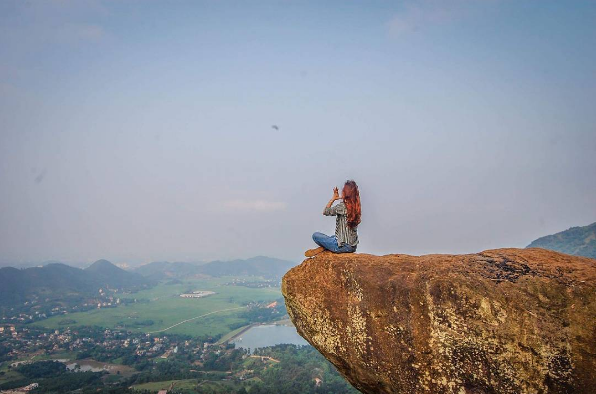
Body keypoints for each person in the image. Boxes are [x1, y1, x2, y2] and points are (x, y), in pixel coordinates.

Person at [305, 180, 361, 257]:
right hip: (352, 246)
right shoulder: (356, 207)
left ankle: (326, 247)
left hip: (342, 247)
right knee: (333, 237)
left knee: (315, 235)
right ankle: (327, 246)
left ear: (345, 192)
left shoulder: (342, 206)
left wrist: (333, 199)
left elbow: (325, 211)